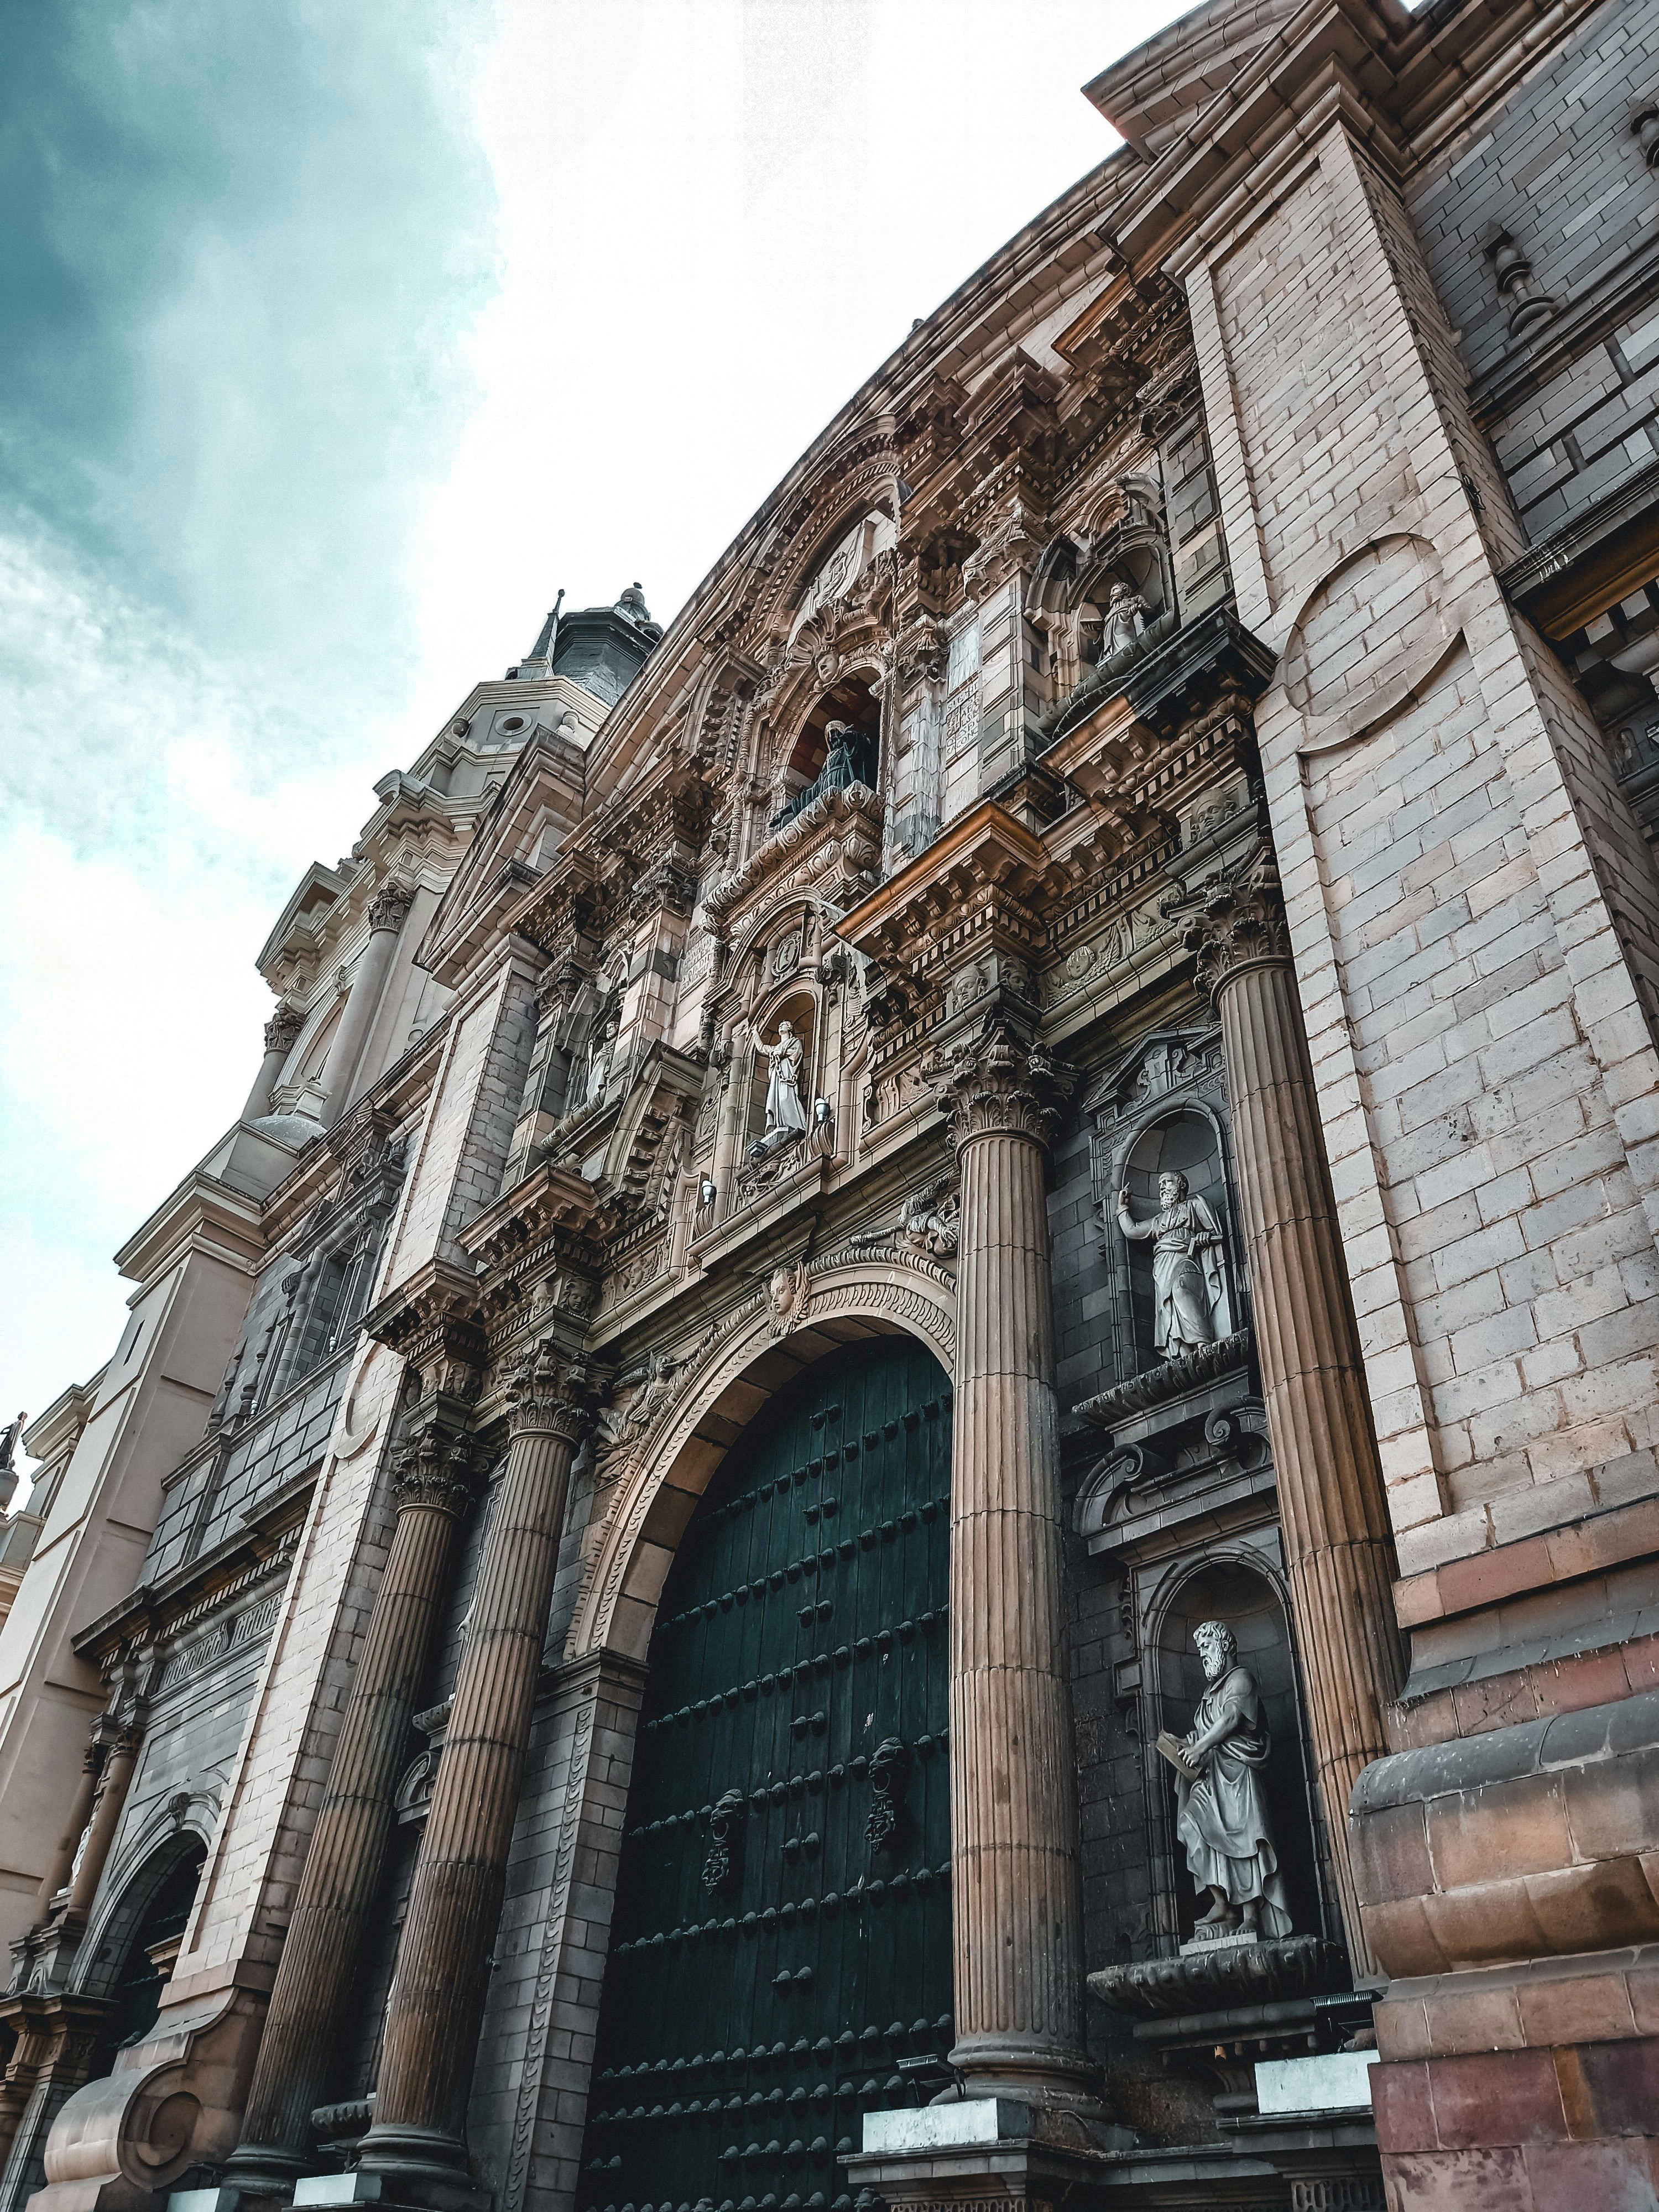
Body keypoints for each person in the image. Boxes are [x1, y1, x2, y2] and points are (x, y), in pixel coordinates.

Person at [1171, 1620, 1292, 1939]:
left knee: (1246, 1841)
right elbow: (1206, 1731)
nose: (1202, 1654)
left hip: (1239, 1774)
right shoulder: (1208, 1693)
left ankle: (1251, 1914)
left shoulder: (1241, 1679)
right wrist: (1184, 1746)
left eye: (1207, 1646)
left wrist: (1199, 1747)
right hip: (1211, 1777)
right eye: (1199, 1649)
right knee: (1191, 1825)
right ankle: (1223, 1905)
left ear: (1224, 1646)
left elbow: (1232, 1717)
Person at [1117, 1170, 1227, 1353]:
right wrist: (1122, 1207)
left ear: (1181, 1185)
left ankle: (1204, 1343)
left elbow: (1216, 1233)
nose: (1162, 1188)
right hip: (1162, 1268)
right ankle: (1183, 1354)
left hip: (1187, 1259)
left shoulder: (1194, 1206)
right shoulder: (1159, 1220)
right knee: (1170, 1308)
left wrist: (1205, 1236)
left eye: (1166, 1182)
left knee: (1181, 1290)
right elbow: (1132, 1230)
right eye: (1160, 1185)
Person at [755, 1020, 808, 1137]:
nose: (780, 1026)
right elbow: (762, 1048)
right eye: (779, 1025)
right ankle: (778, 1125)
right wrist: (755, 1033)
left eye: (783, 1025)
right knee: (775, 1100)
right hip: (777, 1077)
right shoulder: (776, 1047)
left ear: (790, 1028)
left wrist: (781, 1053)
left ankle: (795, 1124)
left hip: (787, 1073)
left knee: (786, 1098)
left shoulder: (795, 1042)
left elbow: (797, 1053)